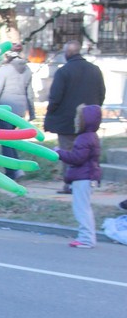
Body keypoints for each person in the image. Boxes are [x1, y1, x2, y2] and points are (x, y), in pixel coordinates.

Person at [44, 41, 105, 193]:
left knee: (68, 152)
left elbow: (55, 97)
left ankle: (70, 184)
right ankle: (87, 181)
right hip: (89, 120)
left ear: (67, 53)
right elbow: (101, 93)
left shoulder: (64, 71)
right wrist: (94, 112)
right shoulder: (95, 70)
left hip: (66, 121)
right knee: (87, 153)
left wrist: (50, 114)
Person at [54, 104, 102, 248]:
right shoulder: (91, 137)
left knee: (81, 209)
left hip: (83, 177)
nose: (75, 121)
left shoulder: (84, 138)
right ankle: (86, 237)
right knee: (84, 208)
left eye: (78, 118)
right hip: (87, 176)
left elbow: (76, 158)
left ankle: (86, 239)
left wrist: (59, 152)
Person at [0, 46, 35, 180]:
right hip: (19, 109)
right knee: (13, 140)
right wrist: (32, 112)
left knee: (6, 141)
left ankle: (12, 171)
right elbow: (29, 93)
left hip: (6, 109)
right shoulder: (27, 70)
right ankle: (17, 168)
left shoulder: (5, 70)